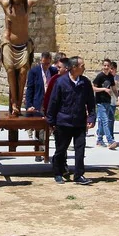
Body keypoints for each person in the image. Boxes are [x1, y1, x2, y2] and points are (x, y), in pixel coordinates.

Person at [45, 56, 96, 185]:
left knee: (80, 148)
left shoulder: (85, 83)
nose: (84, 68)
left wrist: (91, 117)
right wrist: (51, 121)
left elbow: (90, 102)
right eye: (82, 65)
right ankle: (58, 173)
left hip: (79, 122)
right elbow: (54, 102)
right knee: (61, 149)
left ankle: (79, 175)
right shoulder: (61, 82)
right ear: (74, 68)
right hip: (63, 122)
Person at [92, 58, 119, 150]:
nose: (106, 67)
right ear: (102, 66)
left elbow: (114, 89)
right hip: (100, 102)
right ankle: (110, 140)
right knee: (105, 120)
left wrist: (118, 98)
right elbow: (93, 88)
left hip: (108, 101)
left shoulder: (110, 77)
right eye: (105, 65)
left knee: (102, 121)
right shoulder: (100, 76)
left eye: (108, 66)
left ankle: (99, 139)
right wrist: (104, 89)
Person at [24, 51, 57, 115]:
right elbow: (30, 89)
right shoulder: (34, 72)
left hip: (49, 103)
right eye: (44, 63)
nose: (46, 66)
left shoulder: (53, 71)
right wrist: (29, 105)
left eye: (48, 63)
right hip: (38, 103)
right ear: (41, 61)